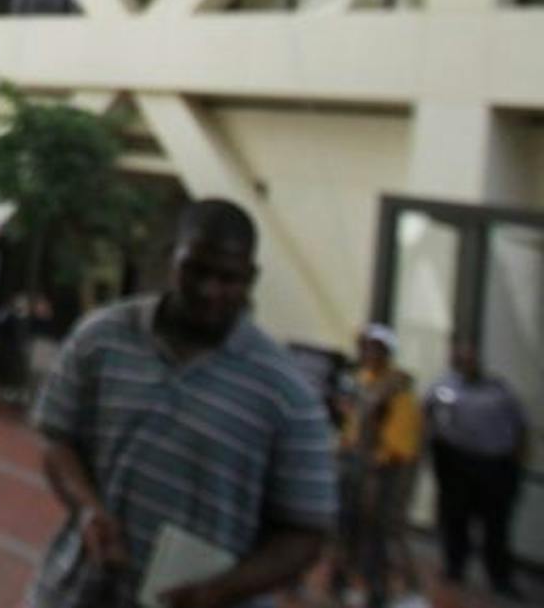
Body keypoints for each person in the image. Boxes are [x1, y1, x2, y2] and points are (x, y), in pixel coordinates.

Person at [29, 199, 337, 608]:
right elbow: (56, 438)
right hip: (74, 593)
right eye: (196, 270)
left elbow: (305, 535)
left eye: (229, 278)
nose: (210, 290)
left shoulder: (287, 395)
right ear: (169, 259)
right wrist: (88, 509)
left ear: (251, 277)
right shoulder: (101, 337)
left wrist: (217, 591)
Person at [427, 341, 529, 599]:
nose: (467, 362)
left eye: (471, 357)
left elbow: (521, 427)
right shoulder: (445, 387)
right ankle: (455, 569)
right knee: (457, 520)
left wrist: (518, 463)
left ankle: (499, 577)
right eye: (462, 357)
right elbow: (427, 413)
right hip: (459, 464)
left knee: (496, 526)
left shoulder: (499, 390)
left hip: (496, 465)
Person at [336, 325, 425, 608]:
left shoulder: (397, 387)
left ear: (386, 352)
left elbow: (402, 442)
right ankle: (358, 585)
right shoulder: (363, 380)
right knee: (356, 531)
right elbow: (355, 425)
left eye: (374, 347)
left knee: (387, 533)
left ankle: (408, 593)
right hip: (357, 466)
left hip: (386, 473)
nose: (367, 352)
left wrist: (376, 468)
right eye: (364, 346)